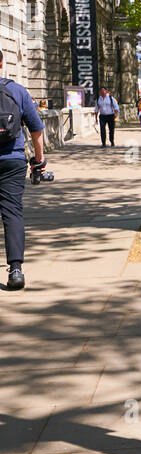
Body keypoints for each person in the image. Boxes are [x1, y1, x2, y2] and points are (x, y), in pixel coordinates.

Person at [0, 48, 45, 291]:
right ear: (2, 63)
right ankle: (15, 270)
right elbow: (37, 130)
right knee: (12, 213)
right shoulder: (17, 90)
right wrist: (39, 161)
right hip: (13, 159)